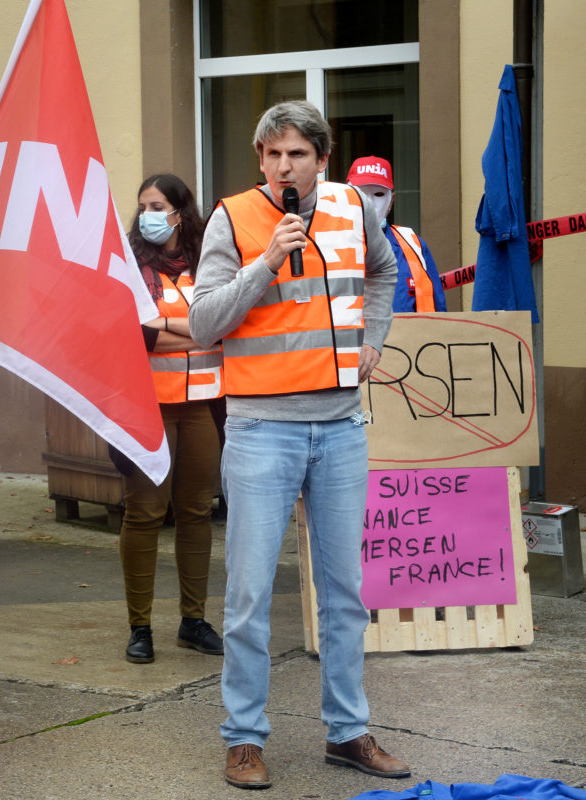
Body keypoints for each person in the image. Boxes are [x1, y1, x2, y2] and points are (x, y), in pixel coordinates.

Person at [188, 100, 410, 790]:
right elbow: (202, 323)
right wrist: (264, 263)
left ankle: (347, 733)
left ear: (323, 159)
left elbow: (384, 272)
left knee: (344, 593)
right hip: (262, 429)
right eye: (274, 154)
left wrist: (374, 338)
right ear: (261, 159)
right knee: (250, 595)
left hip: (341, 427)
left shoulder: (352, 208)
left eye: (299, 155)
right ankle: (244, 739)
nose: (285, 165)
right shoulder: (234, 218)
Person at [118, 174, 224, 665]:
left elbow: (228, 329)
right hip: (149, 409)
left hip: (202, 406)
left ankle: (193, 620)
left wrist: (166, 326)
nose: (147, 215)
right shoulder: (130, 267)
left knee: (197, 512)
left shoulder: (207, 262)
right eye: (142, 206)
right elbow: (139, 338)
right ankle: (140, 626)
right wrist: (197, 332)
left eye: (157, 205)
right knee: (144, 513)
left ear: (180, 211)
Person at [346, 155, 448, 312]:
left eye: (378, 194)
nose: (370, 203)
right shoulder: (326, 242)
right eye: (361, 193)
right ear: (346, 196)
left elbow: (438, 311)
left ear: (391, 201)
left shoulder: (413, 244)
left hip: (410, 336)